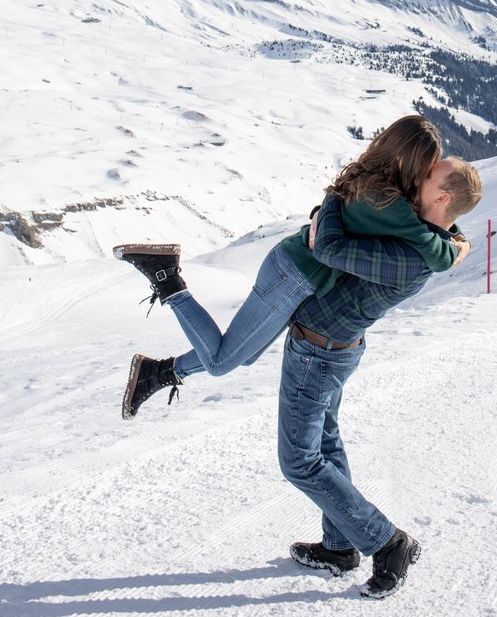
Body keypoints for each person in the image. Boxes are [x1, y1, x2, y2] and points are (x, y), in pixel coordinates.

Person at [115, 116, 470, 418]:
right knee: (222, 362)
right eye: (425, 168)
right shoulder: (388, 202)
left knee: (244, 356)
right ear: (409, 159)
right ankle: (166, 278)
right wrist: (459, 245)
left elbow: (423, 228)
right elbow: (436, 253)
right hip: (294, 277)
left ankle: (158, 371)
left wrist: (454, 232)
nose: (424, 177)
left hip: (293, 269)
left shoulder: (375, 182)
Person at [280, 155, 482, 599]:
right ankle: (338, 547)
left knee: (299, 461)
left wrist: (332, 197)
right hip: (328, 346)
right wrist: (459, 241)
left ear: (442, 196)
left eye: (429, 174)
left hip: (321, 350)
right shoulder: (432, 235)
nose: (419, 173)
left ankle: (387, 542)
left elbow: (329, 248)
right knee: (324, 445)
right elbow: (449, 235)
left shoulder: (413, 255)